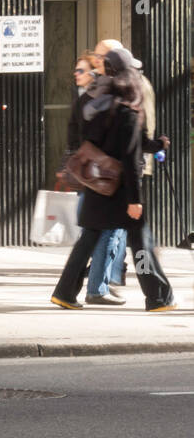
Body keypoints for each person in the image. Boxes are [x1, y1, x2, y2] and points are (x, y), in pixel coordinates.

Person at [51, 49, 177, 312]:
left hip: (96, 183)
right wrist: (135, 200)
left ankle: (64, 293)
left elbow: (81, 140)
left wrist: (157, 144)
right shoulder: (127, 108)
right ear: (128, 73)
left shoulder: (89, 101)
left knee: (88, 239)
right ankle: (157, 297)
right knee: (141, 244)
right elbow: (130, 155)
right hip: (120, 190)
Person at [62, 53, 122, 303]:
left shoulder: (91, 98)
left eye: (81, 71)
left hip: (93, 172)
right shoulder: (105, 99)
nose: (77, 75)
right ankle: (96, 287)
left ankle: (72, 289)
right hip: (103, 175)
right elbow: (79, 135)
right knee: (102, 232)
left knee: (92, 233)